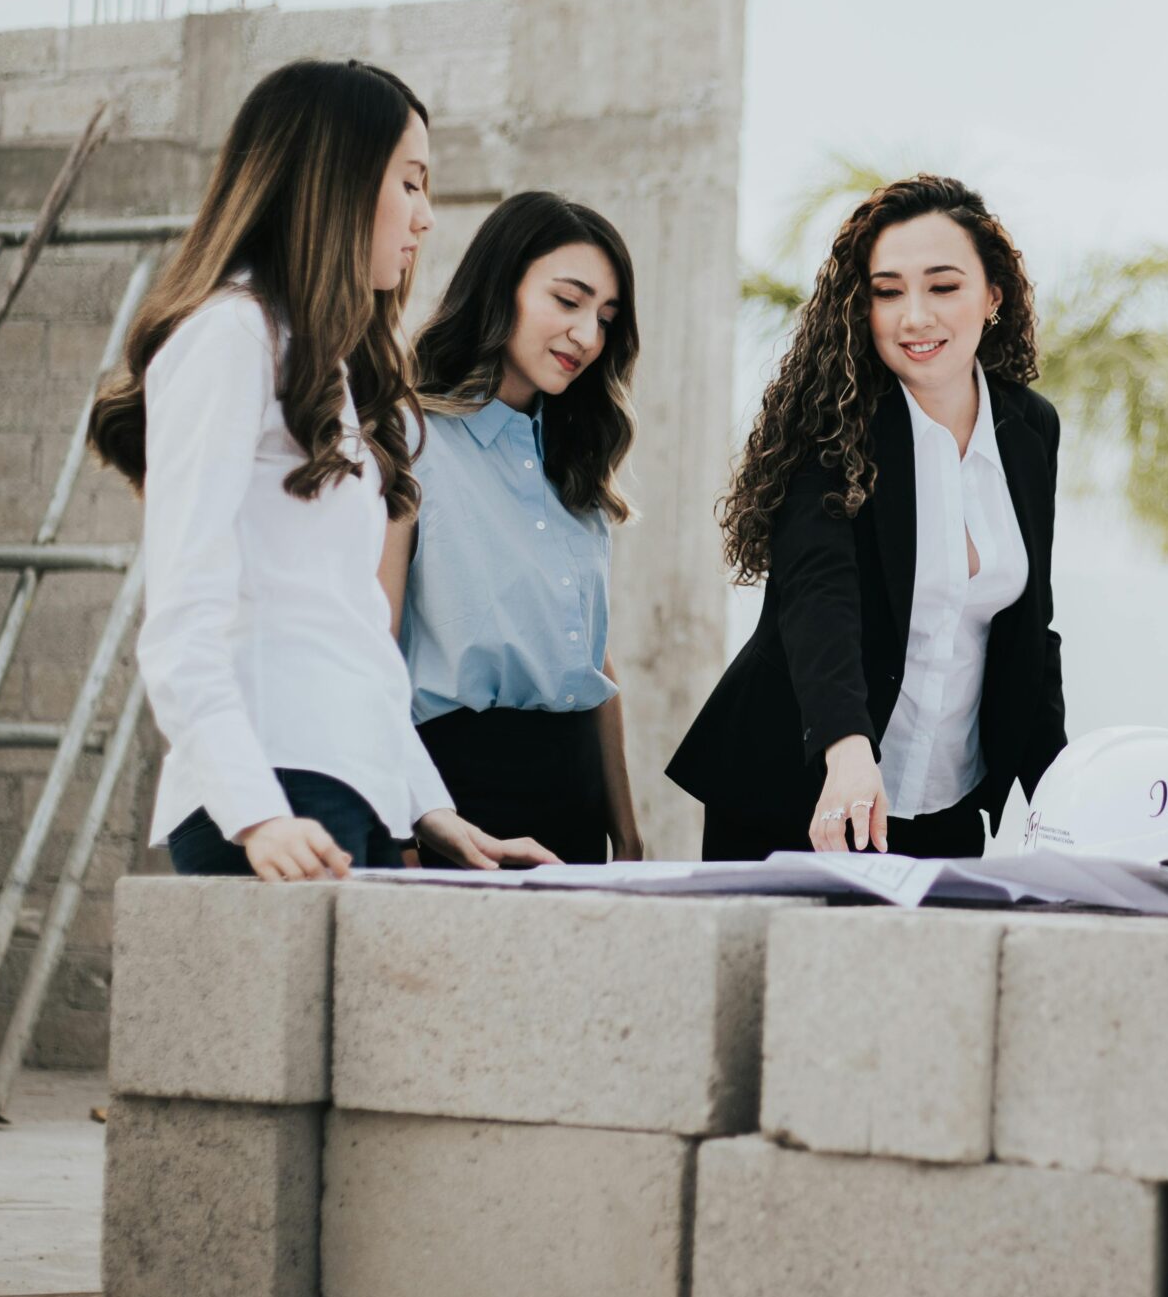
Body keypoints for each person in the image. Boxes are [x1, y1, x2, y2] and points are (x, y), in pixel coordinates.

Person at [88, 59, 556, 882]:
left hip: (350, 786)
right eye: (410, 183)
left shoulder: (331, 373)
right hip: (273, 787)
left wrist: (432, 810)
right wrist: (255, 810)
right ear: (336, 179)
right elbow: (181, 616)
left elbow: (347, 629)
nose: (426, 218)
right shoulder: (229, 336)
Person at [669, 174, 1067, 859]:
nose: (915, 315)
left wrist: (1070, 795)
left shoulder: (1030, 429)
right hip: (801, 789)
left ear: (993, 295)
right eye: (888, 291)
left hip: (946, 807)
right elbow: (818, 597)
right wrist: (847, 751)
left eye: (943, 286)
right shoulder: (833, 422)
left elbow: (1032, 632)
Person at [379, 191, 646, 865]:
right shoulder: (408, 435)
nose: (588, 335)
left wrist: (629, 834)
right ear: (502, 287)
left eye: (606, 318)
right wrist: (404, 831)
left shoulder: (577, 468)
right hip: (455, 797)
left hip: (576, 802)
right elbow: (373, 645)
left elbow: (593, 663)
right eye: (568, 300)